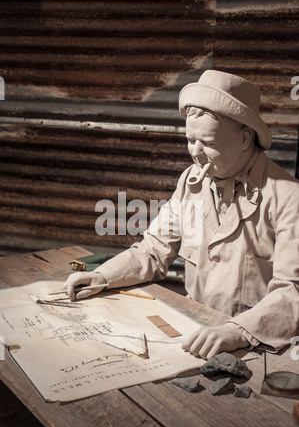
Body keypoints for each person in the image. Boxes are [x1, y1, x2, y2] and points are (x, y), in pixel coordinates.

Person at [63, 70, 299, 359]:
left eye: (208, 142)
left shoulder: (289, 197)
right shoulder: (192, 182)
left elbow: (292, 292)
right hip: (192, 330)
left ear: (245, 137)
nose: (195, 153)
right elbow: (153, 251)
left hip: (254, 343)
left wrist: (237, 330)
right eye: (190, 140)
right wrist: (102, 276)